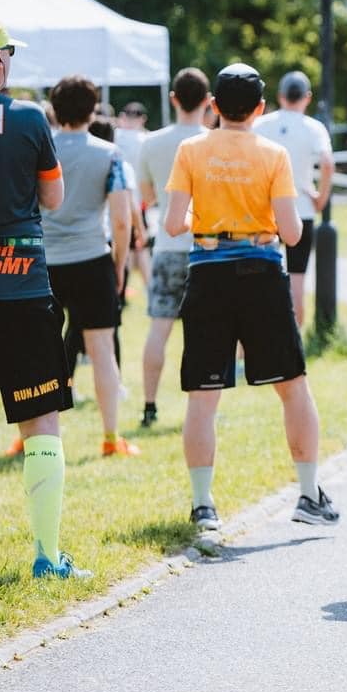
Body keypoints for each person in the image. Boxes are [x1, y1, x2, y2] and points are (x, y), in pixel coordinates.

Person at [164, 63, 338, 531]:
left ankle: (203, 505)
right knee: (293, 386)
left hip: (207, 274)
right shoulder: (273, 154)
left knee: (203, 395)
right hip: (261, 274)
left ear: (213, 106)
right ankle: (309, 494)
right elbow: (292, 232)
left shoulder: (190, 150)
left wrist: (208, 217)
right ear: (260, 109)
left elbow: (173, 223)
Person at [0, 23, 90, 578]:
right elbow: (53, 197)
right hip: (23, 288)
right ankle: (47, 556)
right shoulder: (31, 118)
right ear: (1, 61)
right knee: (41, 425)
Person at [42, 75, 139, 458]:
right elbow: (121, 220)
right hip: (92, 259)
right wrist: (119, 265)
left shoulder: (41, 147)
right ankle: (111, 437)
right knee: (102, 352)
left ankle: (35, 438)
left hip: (46, 263)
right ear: (93, 109)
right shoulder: (109, 154)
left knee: (41, 354)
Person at [136, 67, 210, 429]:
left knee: (159, 329)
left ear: (173, 99)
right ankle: (201, 407)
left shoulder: (151, 143)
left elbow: (147, 196)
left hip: (166, 246)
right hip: (206, 247)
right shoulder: (213, 142)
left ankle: (149, 405)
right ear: (208, 101)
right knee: (204, 332)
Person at [253, 70, 334, 328]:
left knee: (260, 279)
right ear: (307, 97)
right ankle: (294, 340)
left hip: (265, 210)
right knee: (297, 280)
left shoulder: (261, 124)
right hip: (302, 209)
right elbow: (327, 163)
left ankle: (257, 337)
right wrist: (321, 198)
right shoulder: (314, 128)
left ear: (280, 96)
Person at [116, 101, 152, 294]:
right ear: (142, 119)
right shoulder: (145, 139)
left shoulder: (115, 136)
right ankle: (149, 288)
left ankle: (122, 288)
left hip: (117, 199)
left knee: (124, 248)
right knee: (141, 247)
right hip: (138, 201)